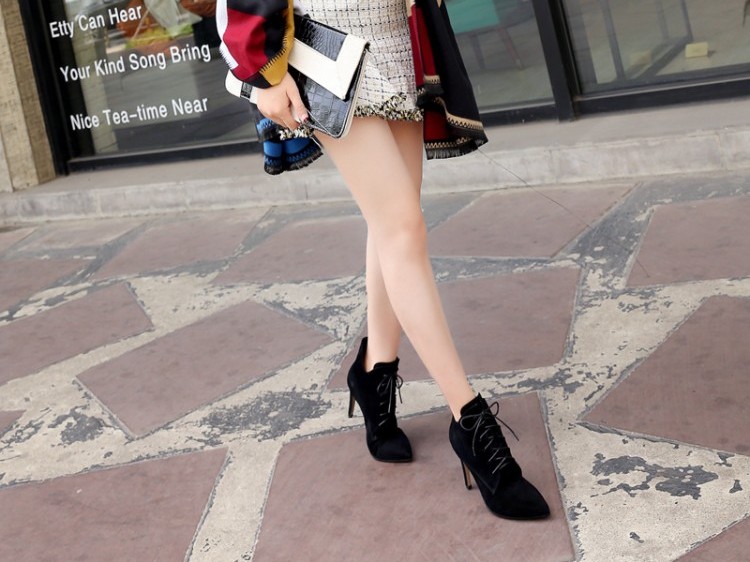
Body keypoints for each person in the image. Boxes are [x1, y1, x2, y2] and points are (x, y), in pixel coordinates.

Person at [216, 0, 550, 520]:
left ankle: (374, 374)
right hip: (323, 43)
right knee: (401, 225)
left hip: (392, 33)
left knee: (393, 222)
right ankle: (470, 421)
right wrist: (263, 72)